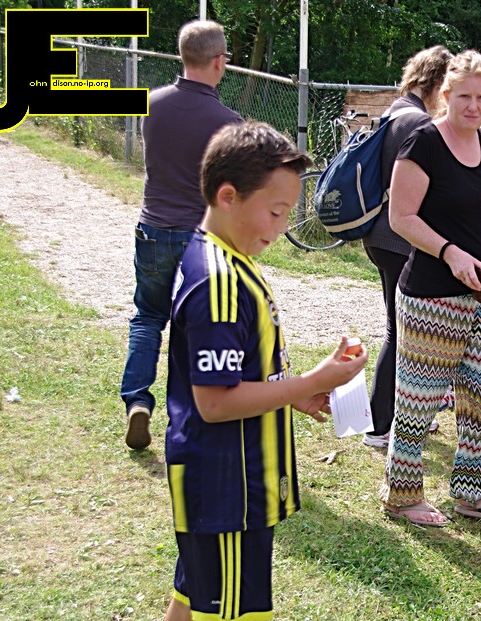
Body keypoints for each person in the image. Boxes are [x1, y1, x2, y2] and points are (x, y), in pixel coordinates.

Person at [162, 121, 367, 621]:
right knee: (233, 610)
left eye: (288, 213)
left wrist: (292, 392)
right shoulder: (219, 282)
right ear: (228, 196)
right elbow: (214, 402)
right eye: (275, 212)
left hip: (222, 488)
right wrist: (313, 382)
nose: (281, 227)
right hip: (227, 489)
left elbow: (236, 372)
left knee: (194, 596)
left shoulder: (227, 255)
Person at [380, 50, 481, 527]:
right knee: (419, 404)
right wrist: (450, 252)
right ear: (445, 94)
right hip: (431, 297)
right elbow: (401, 217)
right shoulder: (423, 143)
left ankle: (472, 493)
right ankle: (402, 496)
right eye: (464, 96)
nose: (473, 106)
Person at [122, 19, 243, 450]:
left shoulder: (151, 104)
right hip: (200, 240)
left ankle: (137, 401)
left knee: (147, 318)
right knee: (195, 329)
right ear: (218, 61)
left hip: (153, 228)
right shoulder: (228, 123)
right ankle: (186, 416)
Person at [361, 46, 454, 450]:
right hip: (399, 238)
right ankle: (380, 425)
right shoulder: (418, 122)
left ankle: (399, 419)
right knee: (402, 335)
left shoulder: (394, 112)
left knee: (399, 332)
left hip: (380, 235)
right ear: (437, 83)